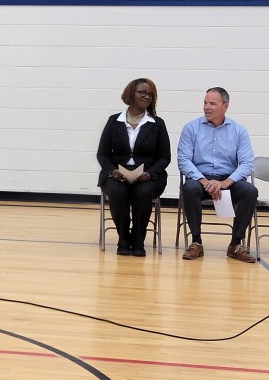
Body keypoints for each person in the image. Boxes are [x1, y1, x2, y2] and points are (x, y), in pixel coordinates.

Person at [177, 87, 258, 263]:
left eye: (212, 103)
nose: (207, 107)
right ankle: (196, 242)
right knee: (189, 188)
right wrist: (205, 181)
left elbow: (247, 163)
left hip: (229, 180)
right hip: (200, 179)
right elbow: (183, 160)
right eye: (205, 103)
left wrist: (225, 183)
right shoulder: (191, 128)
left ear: (225, 106)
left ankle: (235, 244)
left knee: (250, 191)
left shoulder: (239, 131)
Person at [97, 78, 171, 256]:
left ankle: (138, 240)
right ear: (131, 94)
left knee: (142, 193)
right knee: (117, 191)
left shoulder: (157, 124)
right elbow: (103, 154)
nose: (146, 96)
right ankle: (123, 238)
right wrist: (112, 170)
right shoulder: (114, 121)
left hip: (148, 176)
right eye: (142, 92)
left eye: (150, 94)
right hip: (117, 174)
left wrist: (150, 173)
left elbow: (164, 157)